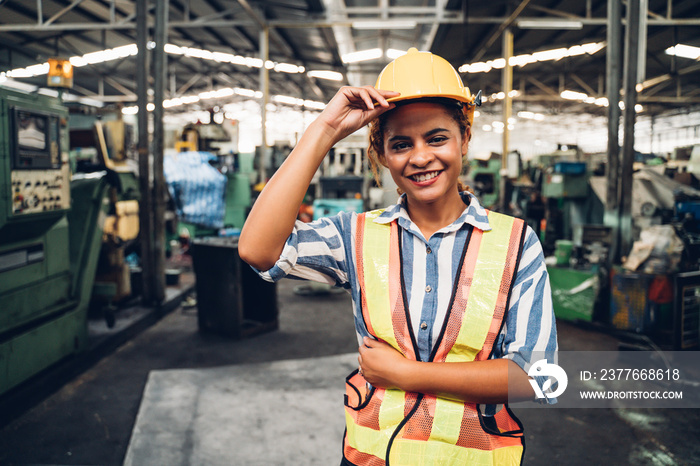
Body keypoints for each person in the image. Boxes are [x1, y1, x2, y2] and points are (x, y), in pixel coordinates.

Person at [239, 48, 557, 466]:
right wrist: (325, 129)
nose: (420, 157)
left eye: (437, 138)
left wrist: (408, 375)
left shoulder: (516, 241)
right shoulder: (355, 236)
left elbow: (535, 376)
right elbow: (258, 250)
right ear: (383, 155)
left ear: (464, 138)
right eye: (401, 144)